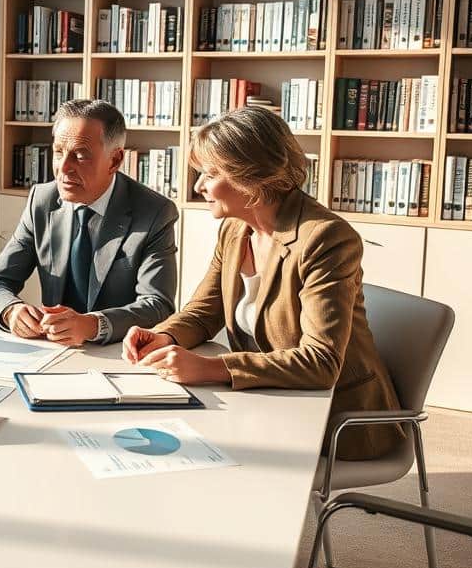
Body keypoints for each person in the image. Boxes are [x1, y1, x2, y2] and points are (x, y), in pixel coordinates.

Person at [121, 106, 402, 460]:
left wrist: (211, 368)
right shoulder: (235, 229)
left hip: (333, 420)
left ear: (250, 177)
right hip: (266, 402)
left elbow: (320, 363)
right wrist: (164, 335)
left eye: (210, 173)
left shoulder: (325, 238)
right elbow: (205, 313)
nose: (199, 186)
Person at [0, 99, 178, 346]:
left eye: (80, 156)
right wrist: (11, 311)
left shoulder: (154, 213)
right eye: (59, 152)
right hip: (51, 352)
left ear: (115, 160)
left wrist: (93, 325)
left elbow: (158, 305)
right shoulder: (42, 200)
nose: (64, 168)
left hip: (118, 355)